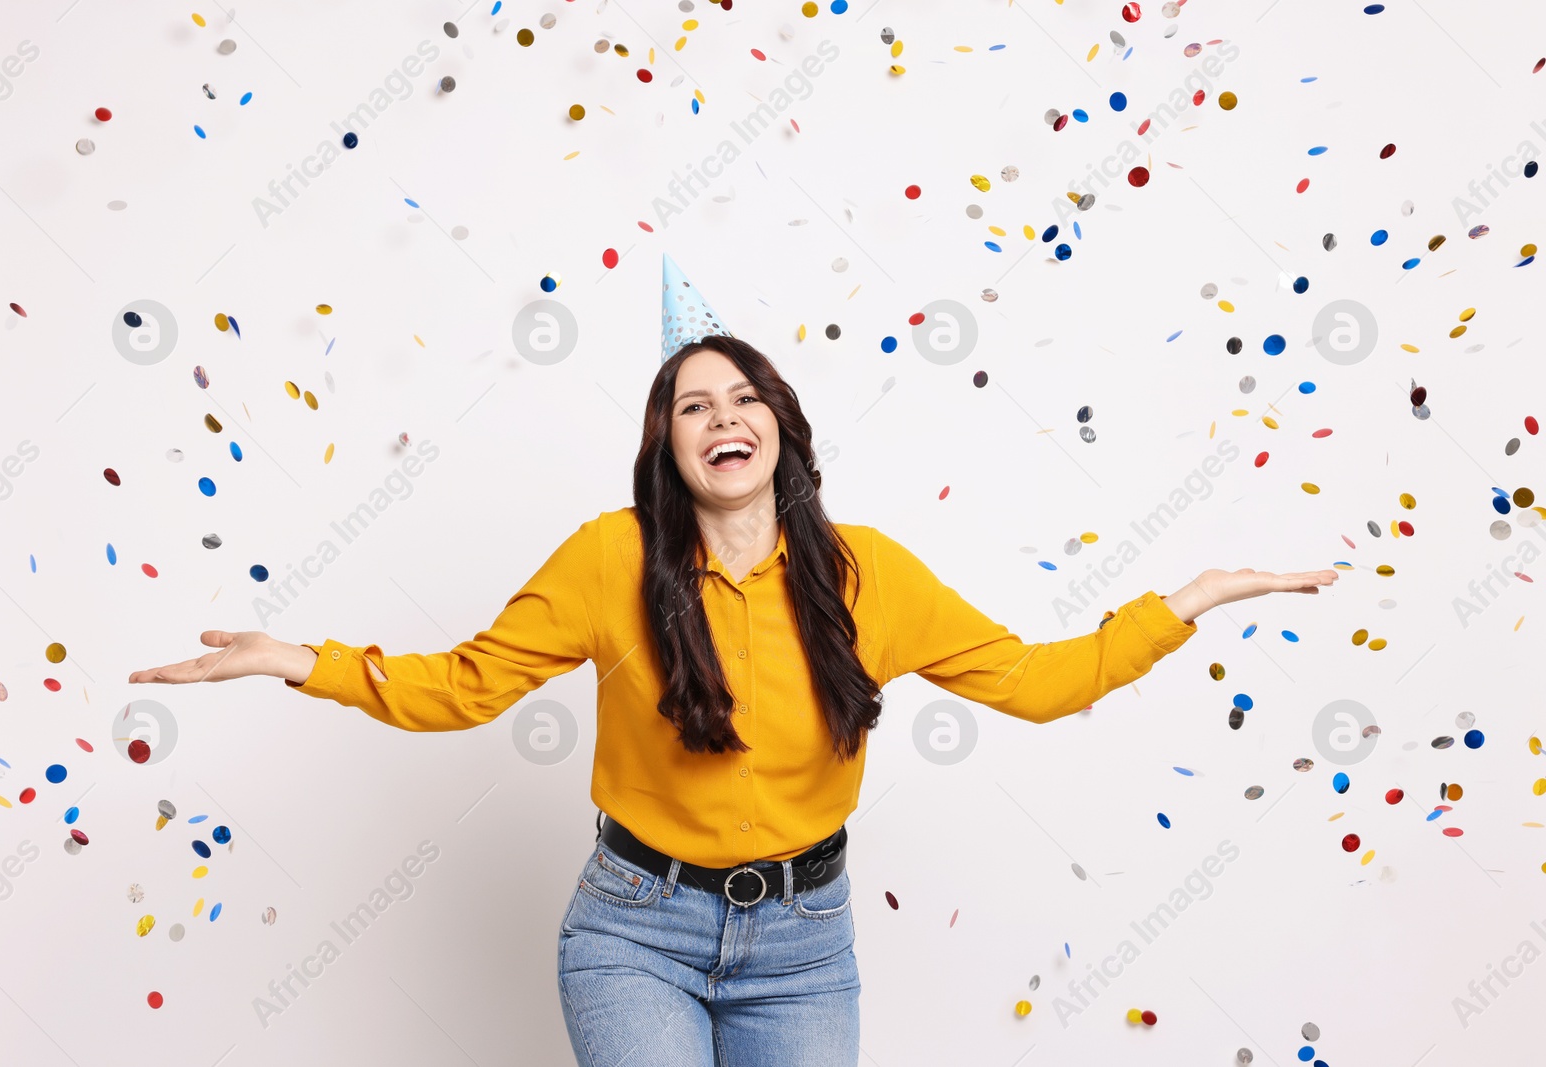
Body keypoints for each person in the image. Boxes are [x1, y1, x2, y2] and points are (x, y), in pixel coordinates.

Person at [129, 263, 1338, 1066]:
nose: (722, 415)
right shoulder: (611, 560)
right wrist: (303, 659)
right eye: (694, 402)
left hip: (808, 943)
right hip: (634, 930)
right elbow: (465, 685)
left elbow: (1035, 681)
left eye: (743, 394)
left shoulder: (870, 575)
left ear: (780, 429)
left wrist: (1188, 600)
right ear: (668, 443)